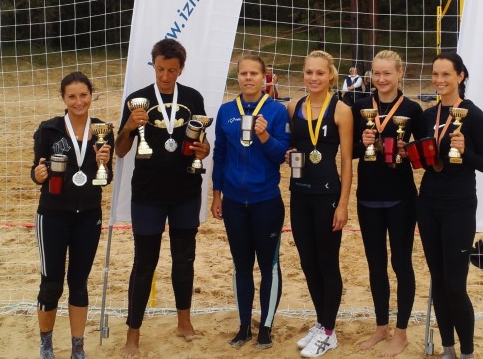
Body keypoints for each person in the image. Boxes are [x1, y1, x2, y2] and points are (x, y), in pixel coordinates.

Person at [115, 39, 210, 359]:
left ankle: (184, 322)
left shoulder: (193, 98)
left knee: (184, 260)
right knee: (144, 264)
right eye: (160, 69)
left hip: (185, 193)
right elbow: (121, 150)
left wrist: (204, 150)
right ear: (153, 66)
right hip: (148, 196)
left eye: (171, 70)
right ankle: (132, 335)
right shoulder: (137, 101)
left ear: (181, 69)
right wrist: (129, 126)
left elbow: (202, 144)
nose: (165, 76)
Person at [416, 52, 483, 359]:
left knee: (454, 285)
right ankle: (447, 348)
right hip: (428, 204)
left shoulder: (474, 116)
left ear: (461, 76)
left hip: (459, 207)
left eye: (446, 74)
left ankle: (468, 352)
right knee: (438, 280)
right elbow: (425, 157)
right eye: (435, 74)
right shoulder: (428, 116)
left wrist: (466, 152)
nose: (439, 80)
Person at [210, 55, 290, 349]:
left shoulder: (276, 110)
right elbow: (220, 154)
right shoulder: (226, 111)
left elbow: (282, 155)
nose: (248, 78)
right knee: (241, 265)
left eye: (254, 73)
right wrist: (217, 194)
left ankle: (266, 327)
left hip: (266, 200)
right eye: (243, 73)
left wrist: (265, 135)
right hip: (233, 202)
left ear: (264, 77)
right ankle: (244, 325)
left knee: (269, 265)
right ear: (238, 77)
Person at [30, 71, 112, 359]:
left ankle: (78, 346)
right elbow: (36, 171)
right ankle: (46, 344)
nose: (79, 102)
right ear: (63, 98)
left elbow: (106, 179)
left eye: (83, 95)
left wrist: (104, 163)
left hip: (88, 215)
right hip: (53, 215)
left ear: (91, 95)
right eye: (72, 96)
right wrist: (38, 175)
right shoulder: (49, 130)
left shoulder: (103, 130)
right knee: (51, 283)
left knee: (79, 283)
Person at [351, 50, 425, 357]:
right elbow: (350, 152)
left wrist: (409, 151)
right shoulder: (358, 106)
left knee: (401, 263)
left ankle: (401, 332)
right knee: (376, 263)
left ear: (400, 73)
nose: (381, 79)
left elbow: (424, 156)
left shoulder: (412, 109)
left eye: (387, 73)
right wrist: (363, 143)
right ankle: (381, 326)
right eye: (377, 73)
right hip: (367, 197)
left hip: (401, 198)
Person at [286, 50, 354, 358]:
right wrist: (287, 154)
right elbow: (290, 148)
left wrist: (343, 204)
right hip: (299, 194)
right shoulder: (293, 107)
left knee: (327, 262)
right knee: (307, 262)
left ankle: (329, 331)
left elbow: (347, 162)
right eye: (309, 72)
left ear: (331, 76)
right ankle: (321, 322)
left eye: (320, 73)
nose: (314, 78)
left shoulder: (341, 110)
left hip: (328, 196)